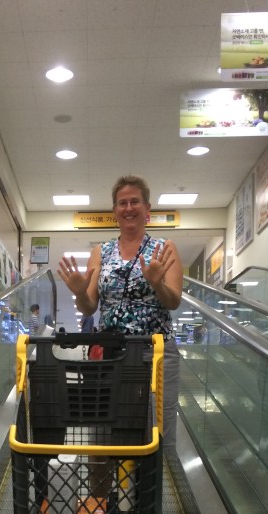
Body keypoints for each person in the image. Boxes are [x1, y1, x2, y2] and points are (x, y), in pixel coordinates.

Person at [57, 175, 183, 449]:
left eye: (135, 201)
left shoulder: (164, 249)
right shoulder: (101, 252)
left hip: (156, 353)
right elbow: (89, 306)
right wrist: (79, 291)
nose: (128, 208)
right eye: (122, 203)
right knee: (102, 433)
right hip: (110, 353)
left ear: (147, 209)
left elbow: (173, 301)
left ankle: (153, 492)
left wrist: (157, 282)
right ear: (115, 211)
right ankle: (100, 493)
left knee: (157, 432)